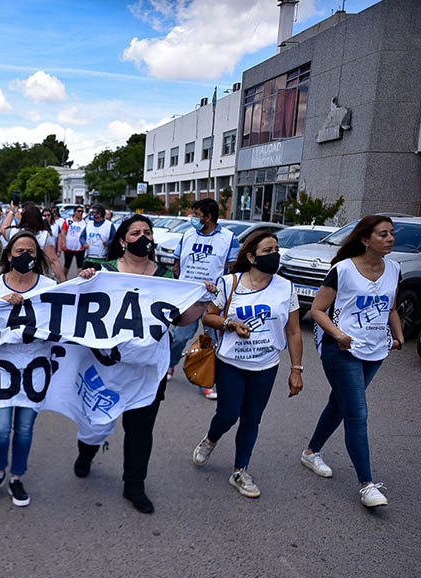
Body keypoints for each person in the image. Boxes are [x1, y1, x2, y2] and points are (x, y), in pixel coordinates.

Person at [74, 215, 205, 514]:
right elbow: (76, 306)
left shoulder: (165, 277)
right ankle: (86, 454)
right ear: (122, 240)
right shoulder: (103, 271)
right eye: (135, 232)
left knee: (141, 429)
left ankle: (134, 485)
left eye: (147, 231)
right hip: (106, 368)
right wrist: (85, 282)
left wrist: (200, 302)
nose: (143, 237)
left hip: (147, 369)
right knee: (98, 421)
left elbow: (180, 317)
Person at [191, 232, 304, 498]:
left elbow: (295, 332)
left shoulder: (286, 287)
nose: (274, 254)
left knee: (252, 419)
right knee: (228, 414)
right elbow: (209, 317)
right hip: (231, 363)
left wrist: (296, 370)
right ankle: (211, 439)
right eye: (268, 250)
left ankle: (240, 471)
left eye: (277, 249)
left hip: (266, 365)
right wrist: (230, 324)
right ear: (251, 257)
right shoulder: (230, 283)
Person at [301, 216, 403, 508]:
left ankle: (310, 453)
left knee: (340, 405)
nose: (390, 238)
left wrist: (398, 335)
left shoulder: (394, 270)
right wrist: (339, 334)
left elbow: (391, 308)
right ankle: (367, 485)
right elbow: (319, 310)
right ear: (365, 239)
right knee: (357, 413)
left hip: (376, 352)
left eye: (391, 234)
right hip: (341, 351)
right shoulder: (342, 270)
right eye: (383, 234)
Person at [0, 231, 56, 507]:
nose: (26, 256)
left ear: (38, 257)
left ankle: (16, 477)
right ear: (9, 255)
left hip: (35, 370)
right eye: (20, 250)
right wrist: (2, 306)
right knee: (0, 429)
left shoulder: (50, 286)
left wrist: (87, 280)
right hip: (0, 370)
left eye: (31, 252)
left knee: (24, 429)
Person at [169, 198, 240, 398]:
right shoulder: (188, 234)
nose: (192, 218)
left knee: (209, 342)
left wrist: (220, 290)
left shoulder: (229, 238)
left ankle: (205, 381)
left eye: (197, 215)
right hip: (189, 298)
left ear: (208, 217)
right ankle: (169, 365)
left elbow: (233, 270)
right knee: (180, 338)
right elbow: (177, 264)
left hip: (213, 301)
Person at [1, 202, 66, 282]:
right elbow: (53, 260)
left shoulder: (14, 232)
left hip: (15, 276)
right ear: (39, 218)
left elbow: (3, 228)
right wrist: (64, 283)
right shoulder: (44, 236)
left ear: (23, 218)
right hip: (38, 278)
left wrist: (12, 211)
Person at [59, 206, 88, 273]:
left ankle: (79, 281)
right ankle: (64, 281)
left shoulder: (85, 223)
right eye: (78, 211)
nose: (80, 213)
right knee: (66, 265)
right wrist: (63, 243)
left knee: (80, 266)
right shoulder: (68, 221)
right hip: (68, 247)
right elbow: (63, 232)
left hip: (80, 248)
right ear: (75, 212)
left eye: (82, 211)